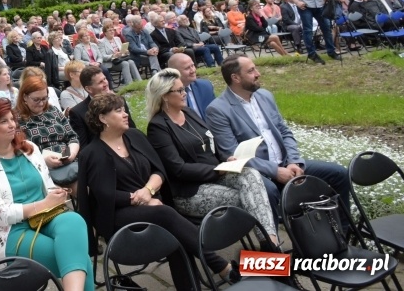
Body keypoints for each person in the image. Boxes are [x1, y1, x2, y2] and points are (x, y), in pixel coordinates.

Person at [77, 93, 237, 291]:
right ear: (103, 118)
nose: (125, 114)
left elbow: (159, 170)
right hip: (117, 215)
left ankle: (193, 285)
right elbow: (105, 195)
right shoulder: (93, 153)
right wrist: (142, 200)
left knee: (175, 233)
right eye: (118, 111)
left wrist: (148, 190)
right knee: (166, 215)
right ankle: (219, 264)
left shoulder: (135, 136)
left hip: (154, 205)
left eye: (124, 109)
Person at [206, 54, 351, 226]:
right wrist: (275, 171)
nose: (258, 74)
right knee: (269, 192)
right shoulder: (218, 109)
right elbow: (232, 154)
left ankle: (344, 232)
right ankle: (273, 239)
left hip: (287, 164)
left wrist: (294, 162)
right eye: (251, 71)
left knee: (338, 174)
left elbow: (284, 132)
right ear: (236, 78)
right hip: (258, 173)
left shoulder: (264, 96)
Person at [0, 99, 94, 291]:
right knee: (77, 256)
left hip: (46, 216)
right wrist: (43, 204)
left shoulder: (29, 149)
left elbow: (47, 186)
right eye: (3, 121)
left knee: (75, 221)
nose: (12, 125)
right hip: (11, 230)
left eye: (12, 119)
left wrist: (56, 194)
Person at [145, 69, 277, 244]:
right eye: (180, 90)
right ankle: (270, 246)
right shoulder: (158, 127)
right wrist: (217, 170)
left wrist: (226, 160)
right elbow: (177, 168)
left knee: (251, 174)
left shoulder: (189, 113)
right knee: (251, 199)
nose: (185, 93)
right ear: (164, 96)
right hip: (189, 190)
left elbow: (210, 143)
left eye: (183, 89)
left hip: (216, 176)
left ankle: (270, 243)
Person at [17, 76, 80, 191]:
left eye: (44, 98)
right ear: (25, 97)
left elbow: (72, 137)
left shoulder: (53, 110)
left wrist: (72, 154)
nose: (41, 103)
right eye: (36, 99)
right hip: (39, 167)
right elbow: (19, 150)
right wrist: (43, 159)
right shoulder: (16, 118)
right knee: (82, 188)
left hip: (68, 161)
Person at [68, 66, 135, 149]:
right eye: (100, 82)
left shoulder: (119, 101)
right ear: (89, 89)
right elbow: (83, 146)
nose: (106, 83)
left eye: (105, 79)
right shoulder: (78, 113)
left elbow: (131, 129)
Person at [167, 53, 215, 121]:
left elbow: (214, 115)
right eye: (187, 68)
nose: (193, 70)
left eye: (192, 65)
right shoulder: (168, 94)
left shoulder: (205, 87)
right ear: (174, 72)